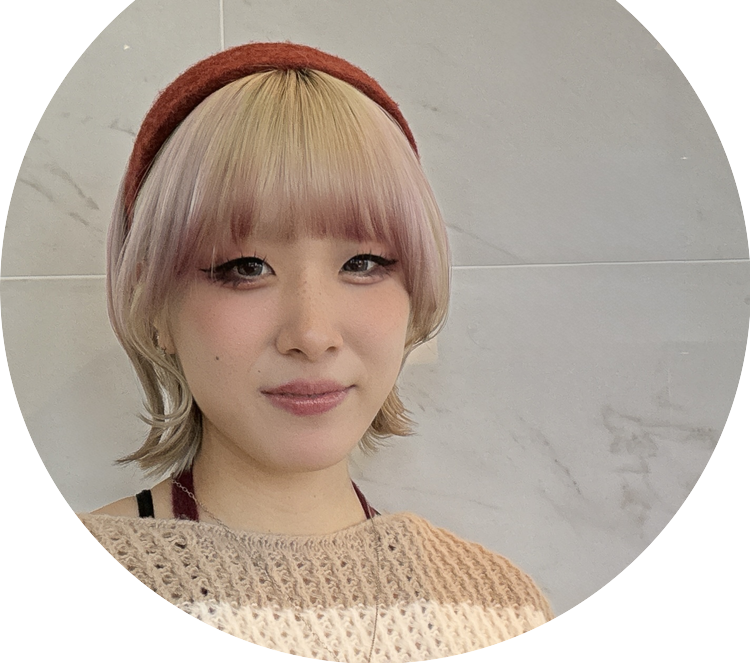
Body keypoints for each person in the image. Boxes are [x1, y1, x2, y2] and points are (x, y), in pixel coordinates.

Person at [0, 43, 569, 662]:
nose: (313, 333)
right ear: (155, 306)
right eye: (246, 267)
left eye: (363, 263)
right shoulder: (34, 599)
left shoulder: (504, 619)